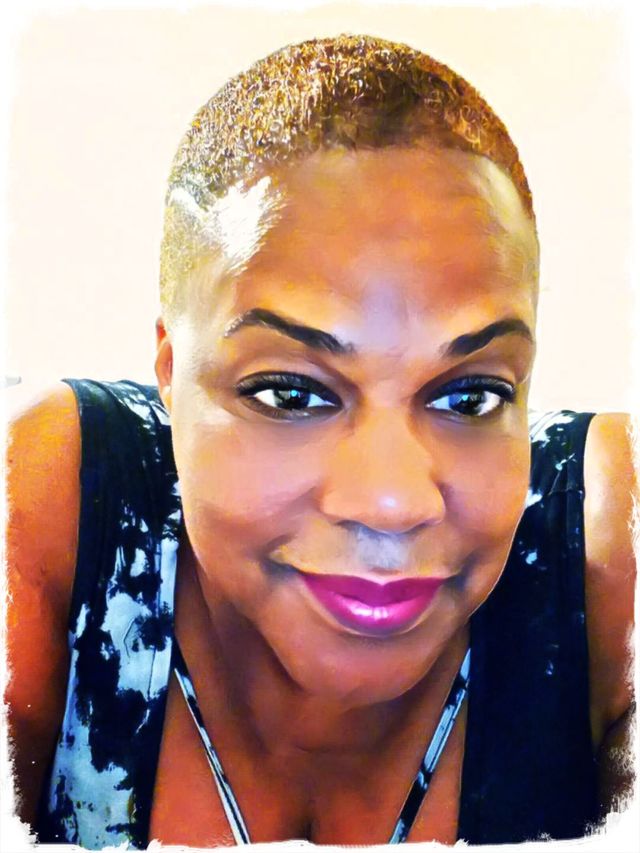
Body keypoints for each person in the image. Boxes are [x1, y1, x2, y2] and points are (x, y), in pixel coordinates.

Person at [5, 34, 636, 848]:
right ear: (171, 372)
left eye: (470, 395)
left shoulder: (604, 534)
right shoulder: (55, 495)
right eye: (291, 394)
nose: (391, 500)